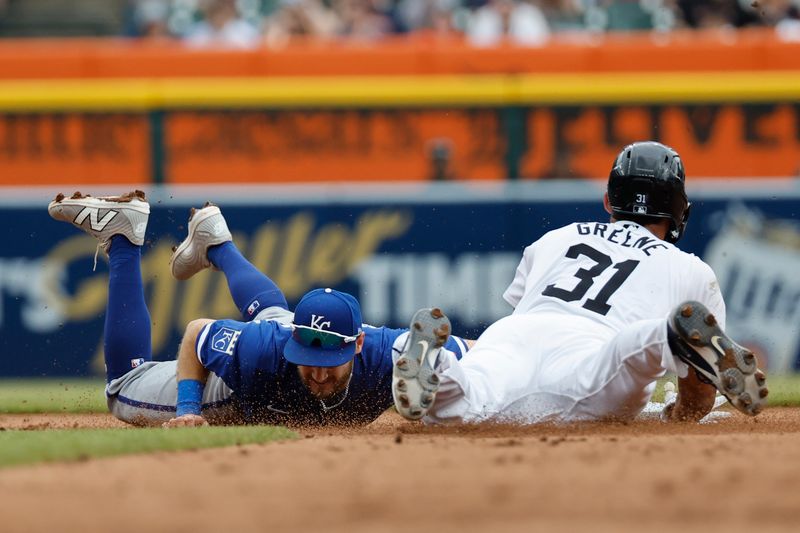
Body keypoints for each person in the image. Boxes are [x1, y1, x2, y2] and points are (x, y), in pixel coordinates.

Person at [392, 141, 769, 425]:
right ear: (680, 211)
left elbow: (524, 310)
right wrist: (681, 415)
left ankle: (437, 365)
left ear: (608, 200)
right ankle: (667, 335)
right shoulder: (690, 269)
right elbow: (699, 394)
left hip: (515, 335)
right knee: (628, 351)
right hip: (595, 345)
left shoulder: (556, 237)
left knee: (463, 405)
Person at [47, 192, 470, 427]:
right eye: (311, 361)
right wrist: (189, 409)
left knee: (274, 314)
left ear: (357, 344)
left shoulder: (387, 351)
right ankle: (124, 237)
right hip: (228, 387)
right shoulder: (261, 349)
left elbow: (469, 350)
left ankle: (218, 243)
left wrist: (473, 360)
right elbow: (197, 332)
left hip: (285, 332)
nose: (319, 373)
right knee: (123, 388)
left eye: (330, 361)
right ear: (296, 343)